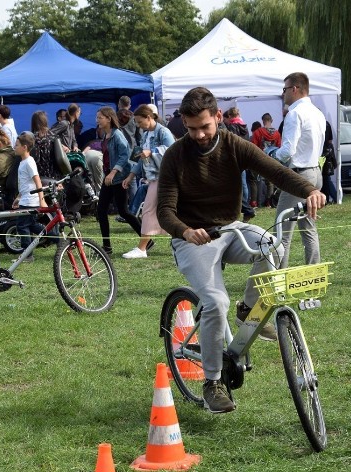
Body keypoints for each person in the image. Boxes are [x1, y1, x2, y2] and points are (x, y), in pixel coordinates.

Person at [156, 87, 325, 413]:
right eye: (191, 129)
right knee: (215, 302)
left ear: (218, 117)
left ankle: (248, 309)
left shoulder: (234, 145)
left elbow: (275, 170)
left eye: (205, 127)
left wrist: (309, 191)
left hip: (230, 229)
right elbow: (165, 210)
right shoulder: (176, 155)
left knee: (273, 246)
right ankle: (212, 382)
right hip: (192, 239)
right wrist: (185, 231)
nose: (199, 135)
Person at [270, 72, 325, 268]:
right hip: (315, 172)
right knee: (308, 228)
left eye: (284, 89)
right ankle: (313, 271)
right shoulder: (318, 112)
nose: (283, 94)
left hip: (299, 175)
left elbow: (287, 151)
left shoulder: (294, 113)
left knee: (282, 230)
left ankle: (279, 276)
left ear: (294, 89)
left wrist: (270, 155)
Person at [120, 104, 175, 258]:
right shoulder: (145, 135)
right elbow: (140, 160)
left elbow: (173, 151)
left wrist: (152, 151)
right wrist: (130, 176)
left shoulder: (163, 132)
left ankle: (142, 248)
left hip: (165, 178)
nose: (138, 125)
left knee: (149, 210)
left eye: (139, 121)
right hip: (154, 179)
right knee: (165, 211)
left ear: (149, 117)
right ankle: (179, 242)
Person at [95, 106, 140, 254]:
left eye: (100, 117)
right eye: (97, 117)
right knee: (101, 210)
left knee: (124, 211)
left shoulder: (117, 135)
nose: (97, 120)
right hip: (109, 178)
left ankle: (147, 239)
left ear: (108, 118)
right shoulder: (105, 135)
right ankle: (106, 247)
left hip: (118, 178)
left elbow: (124, 155)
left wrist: (113, 172)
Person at [12, 132, 47, 260]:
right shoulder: (23, 162)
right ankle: (52, 234)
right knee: (30, 225)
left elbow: (37, 181)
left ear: (24, 147)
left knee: (22, 226)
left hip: (30, 201)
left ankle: (27, 255)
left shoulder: (29, 162)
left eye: (16, 145)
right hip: (25, 199)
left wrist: (41, 200)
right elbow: (25, 184)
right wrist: (18, 197)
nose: (14, 147)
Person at [223, 107, 255, 222]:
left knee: (233, 187)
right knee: (243, 184)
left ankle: (246, 209)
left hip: (234, 158)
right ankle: (244, 208)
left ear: (230, 116)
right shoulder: (244, 126)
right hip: (243, 157)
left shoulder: (232, 127)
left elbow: (231, 143)